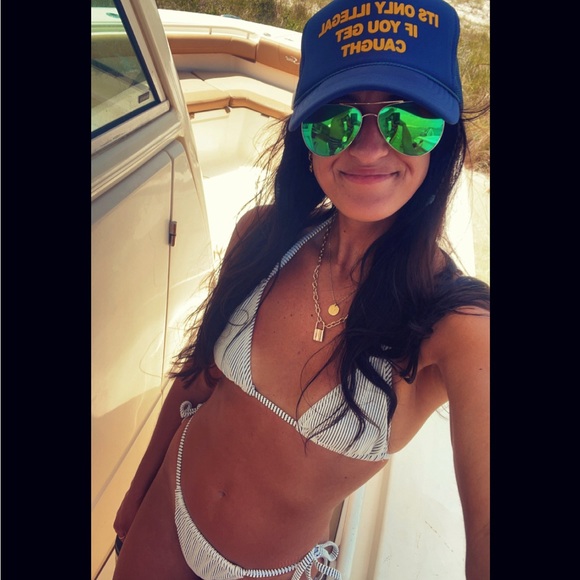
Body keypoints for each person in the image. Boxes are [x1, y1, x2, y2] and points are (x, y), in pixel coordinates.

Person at [112, 0, 490, 578]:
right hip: (165, 512)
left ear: (443, 139)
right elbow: (198, 379)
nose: (368, 148)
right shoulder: (262, 235)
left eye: (408, 118)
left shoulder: (459, 328)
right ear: (304, 136)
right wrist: (135, 496)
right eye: (336, 118)